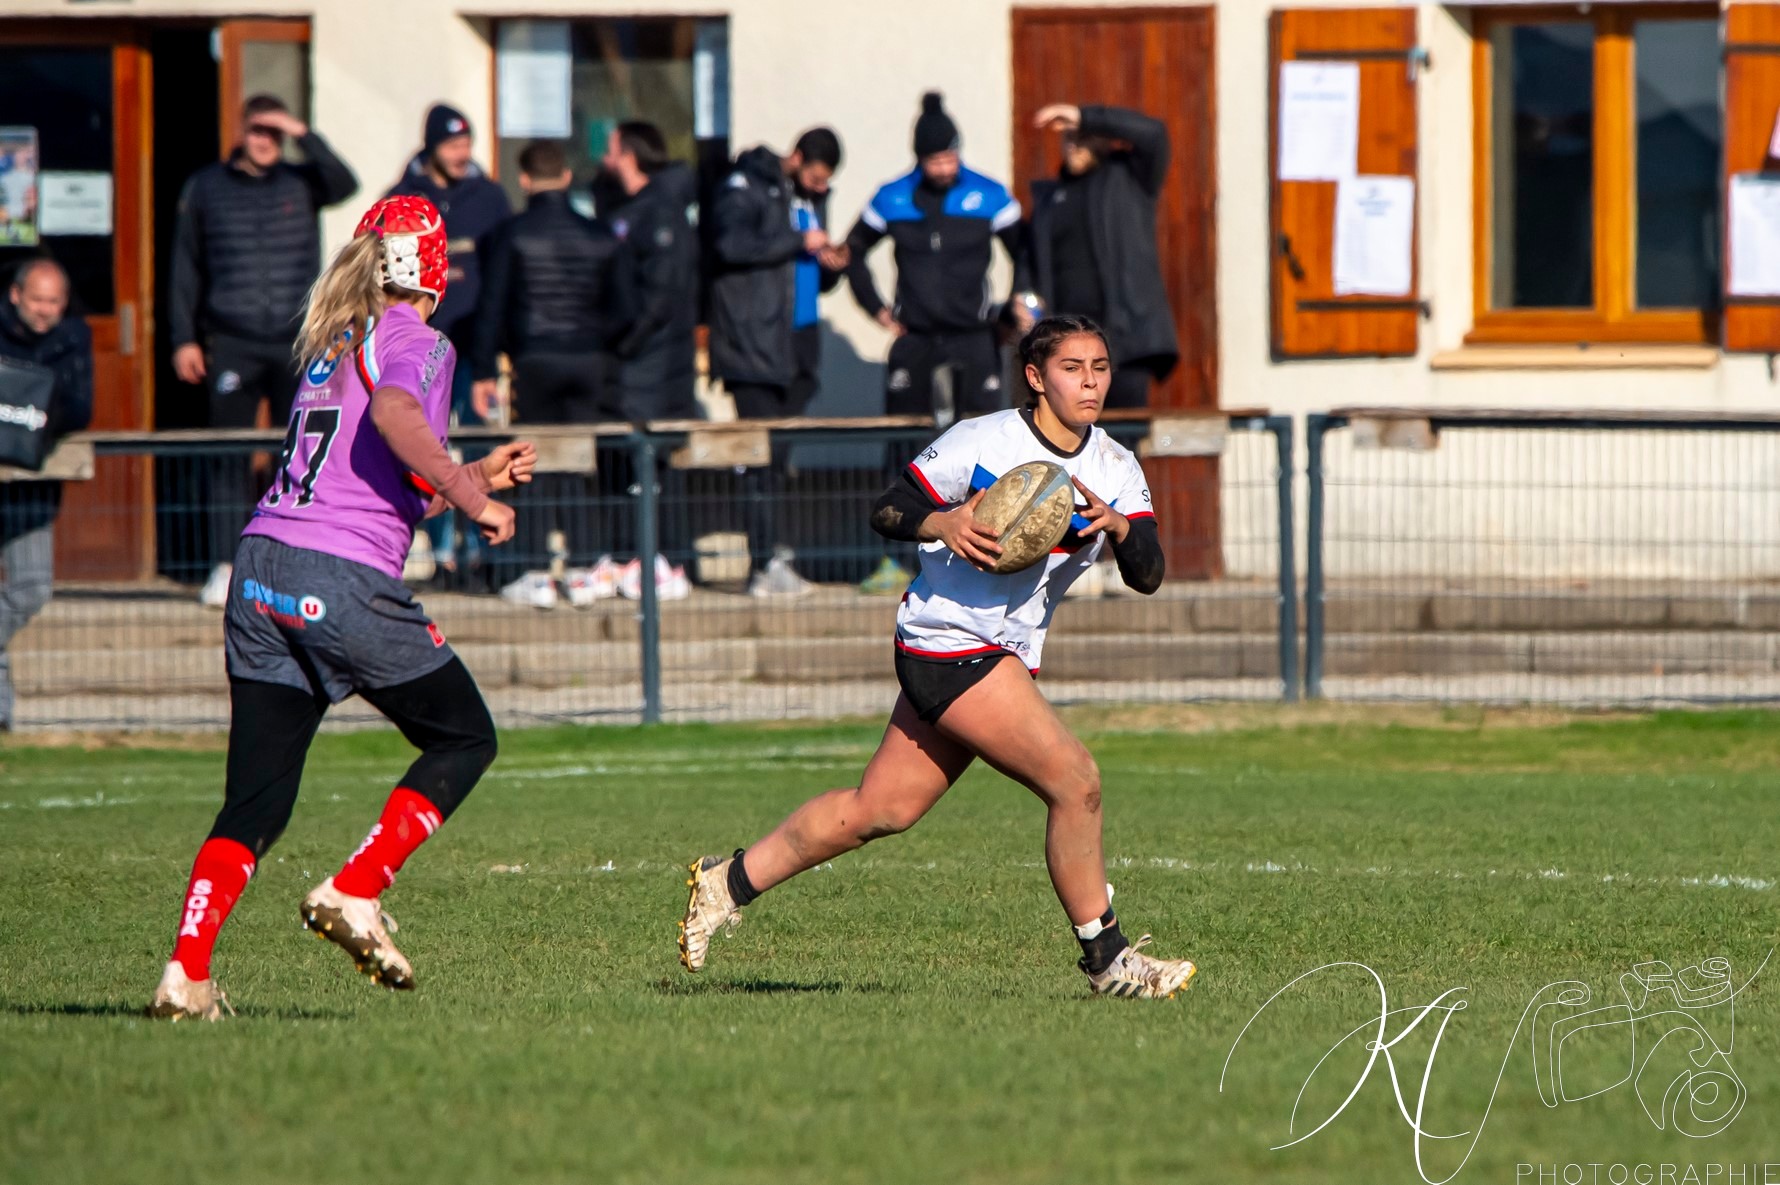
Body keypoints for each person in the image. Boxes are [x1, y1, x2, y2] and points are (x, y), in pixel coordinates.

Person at [678, 314, 1196, 1000]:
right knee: (1077, 781)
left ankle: (728, 880)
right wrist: (944, 520)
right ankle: (1109, 959)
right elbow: (888, 507)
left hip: (994, 651)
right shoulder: (982, 440)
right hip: (948, 641)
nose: (1091, 381)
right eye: (1073, 367)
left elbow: (1150, 572)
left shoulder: (1115, 468)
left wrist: (1122, 526)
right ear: (1036, 377)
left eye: (1100, 367)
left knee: (881, 808)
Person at [148, 195, 538, 1021]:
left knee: (255, 800)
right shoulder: (419, 340)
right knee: (466, 735)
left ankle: (186, 973)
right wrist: (474, 496)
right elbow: (398, 417)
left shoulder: (333, 346)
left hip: (259, 569)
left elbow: (370, 493)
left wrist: (473, 477)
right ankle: (358, 887)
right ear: (428, 266)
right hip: (338, 578)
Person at [169, 94, 358, 607]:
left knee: (303, 450)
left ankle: (298, 557)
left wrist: (302, 129)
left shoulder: (302, 181)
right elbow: (185, 266)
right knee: (228, 453)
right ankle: (227, 565)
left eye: (275, 134)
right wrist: (183, 338)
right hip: (231, 340)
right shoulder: (206, 187)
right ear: (242, 131)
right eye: (259, 131)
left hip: (297, 340)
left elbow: (346, 183)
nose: (266, 141)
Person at [469, 140, 646, 605]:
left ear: (525, 180)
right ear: (567, 178)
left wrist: (486, 368)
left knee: (531, 465)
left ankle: (531, 569)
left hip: (535, 360)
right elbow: (628, 310)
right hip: (589, 363)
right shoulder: (601, 234)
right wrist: (599, 344)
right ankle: (587, 565)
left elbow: (491, 308)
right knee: (581, 466)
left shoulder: (511, 234)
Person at [708, 128, 847, 596]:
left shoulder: (808, 197)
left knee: (780, 456)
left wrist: (832, 265)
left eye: (827, 181)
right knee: (758, 456)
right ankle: (761, 563)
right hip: (754, 345)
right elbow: (728, 246)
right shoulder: (744, 185)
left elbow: (803, 273)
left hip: (797, 344)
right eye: (815, 175)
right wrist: (796, 241)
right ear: (796, 157)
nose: (821, 186)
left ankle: (772, 553)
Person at [387, 103, 513, 587]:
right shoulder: (404, 197)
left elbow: (503, 274)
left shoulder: (489, 198)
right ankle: (441, 556)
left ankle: (482, 552)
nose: (462, 154)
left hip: (475, 348)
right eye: (452, 145)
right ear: (432, 147)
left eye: (467, 144)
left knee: (481, 443)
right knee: (427, 447)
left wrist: (494, 346)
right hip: (420, 345)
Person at [844, 93, 1021, 425]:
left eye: (950, 158)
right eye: (934, 161)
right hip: (916, 333)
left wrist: (1009, 316)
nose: (944, 169)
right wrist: (876, 309)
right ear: (919, 159)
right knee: (905, 436)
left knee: (985, 430)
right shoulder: (894, 196)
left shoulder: (988, 194)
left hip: (974, 332)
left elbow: (1025, 254)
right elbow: (852, 251)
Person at [1024, 103, 1178, 409]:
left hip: (1124, 345)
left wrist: (1085, 116)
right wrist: (1024, 300)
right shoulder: (1049, 200)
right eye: (1068, 138)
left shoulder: (1130, 177)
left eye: (1083, 137)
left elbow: (1155, 134)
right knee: (1072, 445)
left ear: (1104, 140)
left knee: (1121, 445)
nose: (1074, 146)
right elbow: (1030, 263)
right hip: (1068, 349)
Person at [0, 259, 92, 731]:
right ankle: (3, 716)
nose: (44, 310)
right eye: (37, 299)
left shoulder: (73, 337)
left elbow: (80, 406)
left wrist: (32, 410)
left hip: (32, 487)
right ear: (16, 295)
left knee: (32, 587)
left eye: (53, 301)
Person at [595, 121, 700, 423]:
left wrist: (625, 344)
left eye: (610, 151)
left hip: (652, 372)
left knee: (645, 463)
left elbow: (662, 294)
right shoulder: (634, 208)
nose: (605, 160)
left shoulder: (658, 212)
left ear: (628, 157)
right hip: (640, 373)